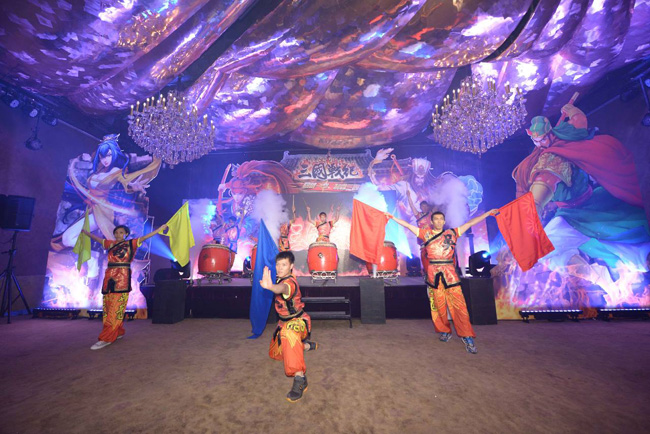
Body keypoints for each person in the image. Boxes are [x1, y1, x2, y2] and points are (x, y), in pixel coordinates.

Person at [388, 209, 498, 354]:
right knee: (438, 306)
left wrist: (487, 214)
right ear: (432, 222)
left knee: (459, 306)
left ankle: (467, 335)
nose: (439, 221)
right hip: (434, 275)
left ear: (444, 221)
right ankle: (444, 330)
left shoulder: (452, 233)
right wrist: (392, 217)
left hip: (450, 274)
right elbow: (407, 225)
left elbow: (470, 222)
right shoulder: (426, 234)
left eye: (441, 219)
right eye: (436, 219)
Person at [82, 223, 167, 350]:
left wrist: (159, 229)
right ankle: (118, 331)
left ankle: (106, 337)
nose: (118, 234)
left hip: (122, 279)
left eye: (121, 232)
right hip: (109, 278)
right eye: (116, 232)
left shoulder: (131, 244)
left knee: (115, 308)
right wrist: (86, 233)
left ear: (126, 234)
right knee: (108, 307)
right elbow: (98, 239)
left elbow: (145, 237)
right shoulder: (110, 244)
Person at [260, 251, 318, 402]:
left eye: (284, 265)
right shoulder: (280, 279)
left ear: (291, 266)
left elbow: (283, 289)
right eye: (278, 264)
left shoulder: (290, 283)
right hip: (284, 323)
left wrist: (271, 287)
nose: (279, 268)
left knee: (288, 333)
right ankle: (305, 346)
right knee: (276, 354)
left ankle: (300, 378)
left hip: (299, 323)